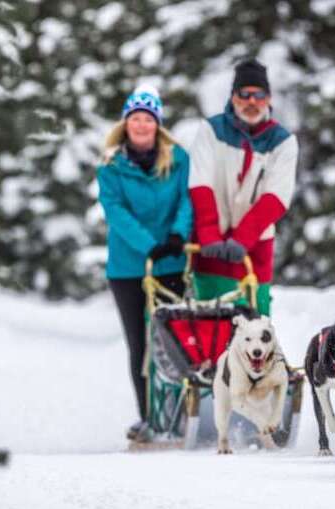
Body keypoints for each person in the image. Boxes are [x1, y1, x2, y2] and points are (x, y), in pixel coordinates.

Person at [97, 85, 192, 442]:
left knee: (175, 340)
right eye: (135, 119)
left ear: (157, 124)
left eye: (147, 119)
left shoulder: (179, 159)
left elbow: (187, 201)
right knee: (140, 344)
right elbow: (115, 212)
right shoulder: (111, 166)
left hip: (171, 261)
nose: (141, 125)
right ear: (126, 124)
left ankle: (182, 412)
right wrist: (149, 245)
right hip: (129, 268)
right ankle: (148, 415)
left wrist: (177, 236)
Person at [188, 59, 298, 316]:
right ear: (233, 97)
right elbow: (200, 182)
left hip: (254, 249)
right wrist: (208, 232)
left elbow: (276, 197)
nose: (251, 102)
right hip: (211, 246)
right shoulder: (211, 130)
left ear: (268, 98)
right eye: (244, 94)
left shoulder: (282, 142)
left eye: (258, 95)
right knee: (210, 325)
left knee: (255, 328)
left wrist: (243, 237)